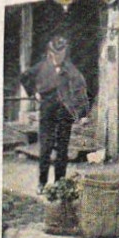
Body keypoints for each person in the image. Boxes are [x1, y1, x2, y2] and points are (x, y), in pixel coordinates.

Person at [20, 35, 90, 192]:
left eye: (62, 54)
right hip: (47, 110)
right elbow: (24, 77)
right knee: (45, 148)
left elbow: (80, 91)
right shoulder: (42, 67)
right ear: (50, 53)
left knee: (62, 149)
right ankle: (42, 183)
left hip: (64, 112)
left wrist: (82, 114)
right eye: (56, 54)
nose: (59, 57)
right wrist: (34, 93)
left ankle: (59, 183)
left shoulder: (71, 70)